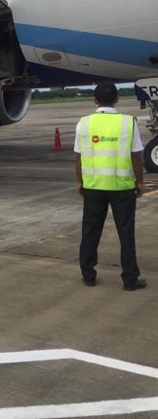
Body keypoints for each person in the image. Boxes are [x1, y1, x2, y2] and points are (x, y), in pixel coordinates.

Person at [75, 82, 146, 291]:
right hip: (122, 187)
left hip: (93, 186)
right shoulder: (128, 122)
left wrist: (80, 181)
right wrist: (140, 181)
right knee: (126, 232)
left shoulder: (84, 123)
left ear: (94, 101)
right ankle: (130, 279)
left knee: (90, 230)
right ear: (117, 99)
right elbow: (136, 155)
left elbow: (78, 157)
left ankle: (88, 275)